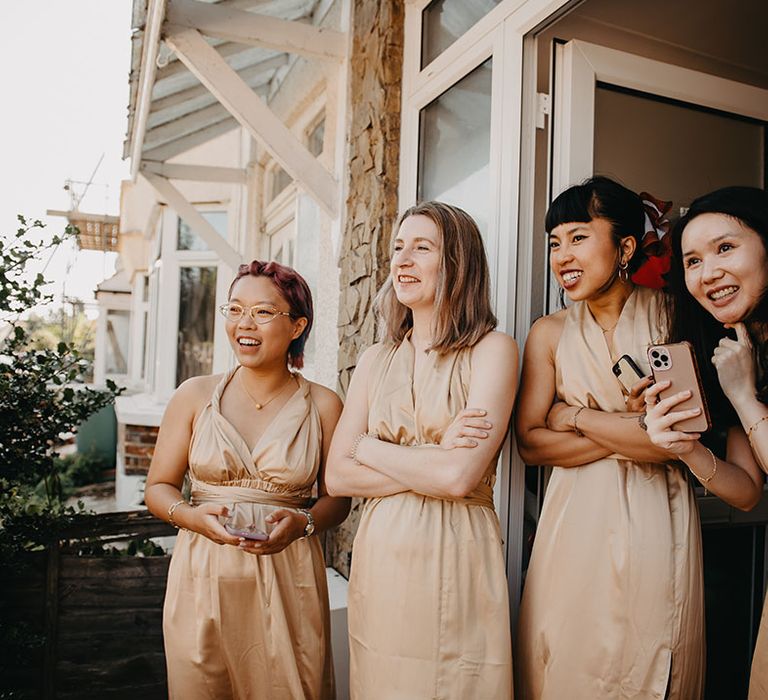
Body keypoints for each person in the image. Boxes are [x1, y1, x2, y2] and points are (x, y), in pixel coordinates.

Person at [515, 176, 707, 699]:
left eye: (578, 237)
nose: (562, 255)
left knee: (652, 658)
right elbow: (530, 444)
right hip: (573, 521)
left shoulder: (672, 315)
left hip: (656, 518)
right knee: (566, 657)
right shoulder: (548, 333)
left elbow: (675, 439)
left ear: (624, 247)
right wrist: (636, 428)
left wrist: (573, 416)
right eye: (555, 242)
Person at [326, 201, 518, 699]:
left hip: (456, 554)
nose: (402, 260)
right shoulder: (374, 359)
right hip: (380, 560)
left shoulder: (493, 350)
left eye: (422, 248)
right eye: (397, 248)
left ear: (458, 262)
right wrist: (432, 459)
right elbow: (336, 478)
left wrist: (367, 447)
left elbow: (459, 480)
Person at [145, 260, 350, 700]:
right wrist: (193, 518)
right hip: (202, 577)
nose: (244, 324)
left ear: (297, 326)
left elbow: (339, 499)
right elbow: (158, 487)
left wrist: (305, 523)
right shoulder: (193, 396)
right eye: (235, 310)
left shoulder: (324, 404)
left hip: (289, 577)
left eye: (262, 312)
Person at [642, 186, 766, 698]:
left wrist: (743, 395)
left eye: (725, 248)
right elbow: (747, 490)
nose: (707, 272)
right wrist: (686, 448)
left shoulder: (741, 372)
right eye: (692, 260)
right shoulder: (742, 349)